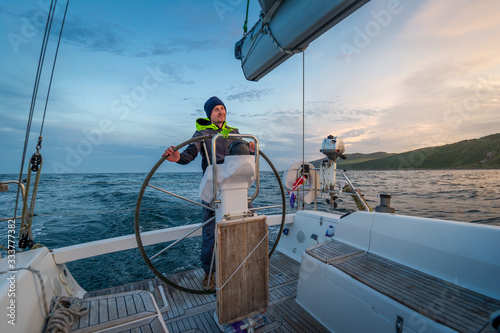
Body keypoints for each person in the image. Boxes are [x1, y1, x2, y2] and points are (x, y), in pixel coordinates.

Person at [163, 96, 255, 290]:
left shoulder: (236, 133)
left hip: (237, 188)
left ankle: (244, 265)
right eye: (216, 110)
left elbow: (243, 158)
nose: (221, 112)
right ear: (209, 114)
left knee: (247, 225)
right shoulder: (202, 133)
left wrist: (251, 150)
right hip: (214, 190)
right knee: (210, 234)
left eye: (222, 108)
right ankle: (209, 273)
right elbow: (189, 155)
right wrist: (177, 157)